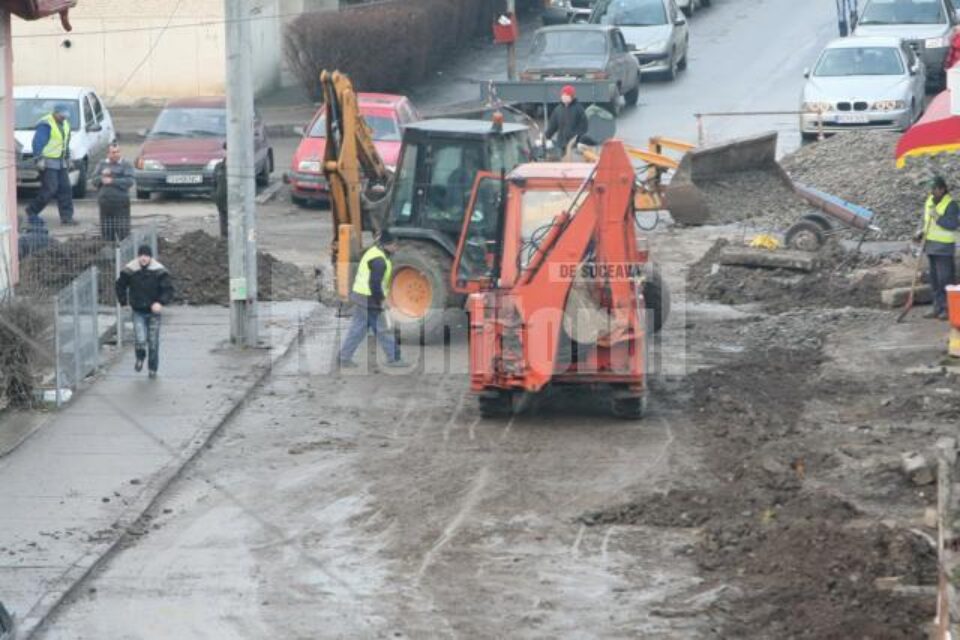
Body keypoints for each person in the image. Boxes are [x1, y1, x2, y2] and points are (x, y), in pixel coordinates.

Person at [337, 230, 405, 368]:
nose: (397, 248)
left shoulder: (375, 251)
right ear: (387, 245)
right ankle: (394, 358)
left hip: (362, 296)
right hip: (370, 298)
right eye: (395, 245)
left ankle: (344, 357)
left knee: (358, 329)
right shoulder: (379, 261)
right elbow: (374, 284)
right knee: (383, 329)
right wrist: (382, 300)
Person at [116, 244, 174, 378]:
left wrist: (160, 302)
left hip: (154, 312)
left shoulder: (159, 271)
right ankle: (140, 358)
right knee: (140, 339)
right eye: (141, 255)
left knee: (153, 342)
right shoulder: (130, 270)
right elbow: (120, 285)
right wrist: (123, 301)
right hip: (138, 311)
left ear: (150, 257)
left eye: (146, 256)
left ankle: (152, 368)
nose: (143, 258)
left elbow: (168, 289)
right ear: (138, 257)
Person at [25, 103, 76, 226]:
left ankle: (67, 217)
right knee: (50, 189)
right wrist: (39, 159)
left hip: (61, 162)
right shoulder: (46, 124)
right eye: (62, 115)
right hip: (48, 162)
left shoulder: (65, 124)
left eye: (66, 115)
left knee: (65, 189)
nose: (64, 117)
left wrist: (68, 158)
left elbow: (65, 144)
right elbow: (37, 143)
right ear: (55, 113)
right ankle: (32, 210)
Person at [916, 176, 959, 320]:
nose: (932, 192)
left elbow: (953, 224)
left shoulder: (951, 205)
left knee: (945, 280)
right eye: (931, 189)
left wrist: (938, 218)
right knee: (934, 280)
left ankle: (948, 309)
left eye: (934, 189)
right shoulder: (930, 201)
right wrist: (921, 232)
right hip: (931, 246)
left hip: (944, 248)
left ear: (942, 189)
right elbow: (927, 221)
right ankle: (937, 307)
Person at [92, 143, 134, 241]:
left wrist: (113, 181)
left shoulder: (126, 165)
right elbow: (93, 181)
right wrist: (101, 177)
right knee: (107, 231)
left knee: (122, 230)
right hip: (105, 202)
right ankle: (108, 250)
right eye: (113, 153)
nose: (115, 154)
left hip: (120, 202)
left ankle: (123, 252)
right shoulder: (102, 164)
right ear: (108, 154)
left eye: (117, 152)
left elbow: (130, 182)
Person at [545, 85, 589, 157]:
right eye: (563, 95)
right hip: (561, 144)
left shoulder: (579, 109)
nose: (564, 97)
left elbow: (584, 127)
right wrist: (546, 137)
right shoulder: (558, 110)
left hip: (574, 145)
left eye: (567, 95)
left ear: (572, 96)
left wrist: (578, 139)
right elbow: (552, 126)